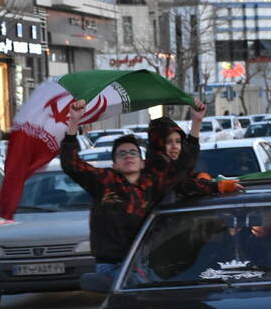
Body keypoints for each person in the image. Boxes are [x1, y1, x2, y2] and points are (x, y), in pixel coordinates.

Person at [60, 99, 207, 279]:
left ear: (142, 161)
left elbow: (182, 166)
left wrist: (196, 122)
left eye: (133, 152)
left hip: (143, 263)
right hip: (111, 266)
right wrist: (74, 122)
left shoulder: (152, 183)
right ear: (115, 164)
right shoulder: (104, 181)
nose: (128, 156)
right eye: (122, 154)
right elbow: (71, 164)